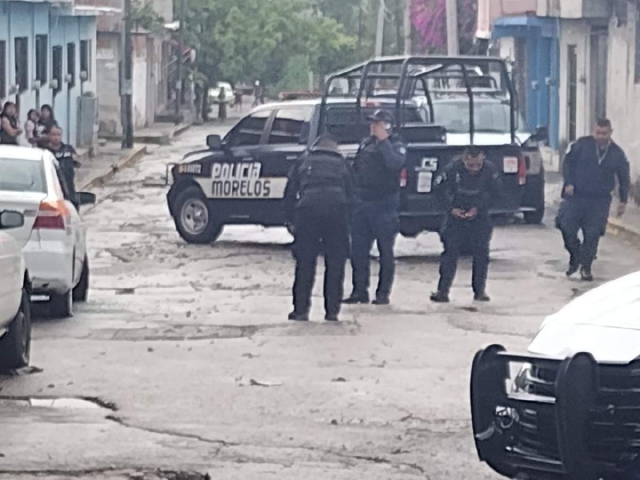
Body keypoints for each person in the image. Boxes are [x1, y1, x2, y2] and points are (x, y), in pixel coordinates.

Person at [284, 136, 354, 322]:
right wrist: (348, 221)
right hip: (337, 213)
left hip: (308, 212)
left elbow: (290, 191)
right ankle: (332, 311)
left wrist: (290, 220)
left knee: (305, 263)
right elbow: (353, 194)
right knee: (335, 263)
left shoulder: (304, 160)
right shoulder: (343, 164)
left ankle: (300, 311)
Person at [343, 109, 406, 306]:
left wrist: (384, 141)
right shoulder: (366, 144)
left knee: (385, 251)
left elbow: (394, 164)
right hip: (363, 203)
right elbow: (356, 170)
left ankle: (382, 294)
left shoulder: (396, 145)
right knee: (358, 251)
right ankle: (359, 290)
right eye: (372, 123)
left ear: (387, 126)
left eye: (377, 124)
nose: (373, 127)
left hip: (385, 204)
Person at [557, 118, 630, 282]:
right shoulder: (581, 145)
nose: (601, 136)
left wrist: (623, 200)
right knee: (566, 226)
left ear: (611, 133)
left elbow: (624, 176)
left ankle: (586, 268)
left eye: (604, 133)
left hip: (599, 200)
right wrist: (568, 182)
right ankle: (576, 256)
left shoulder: (617, 153)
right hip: (576, 197)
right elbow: (567, 163)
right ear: (593, 131)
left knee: (592, 234)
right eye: (598, 133)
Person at [430, 147, 501, 303]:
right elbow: (438, 190)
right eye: (471, 165)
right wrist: (451, 209)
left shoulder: (490, 170)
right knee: (450, 254)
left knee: (481, 255)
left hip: (479, 216)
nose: (474, 169)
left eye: (477, 165)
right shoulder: (452, 168)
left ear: (482, 159)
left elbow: (496, 194)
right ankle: (442, 291)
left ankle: (479, 291)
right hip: (456, 215)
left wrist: (479, 208)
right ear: (464, 160)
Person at [47, 126, 81, 208]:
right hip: (51, 183)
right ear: (49, 136)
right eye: (54, 135)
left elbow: (78, 163)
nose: (56, 137)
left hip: (68, 183)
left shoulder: (68, 149)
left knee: (72, 203)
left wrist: (75, 159)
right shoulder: (46, 150)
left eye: (59, 135)